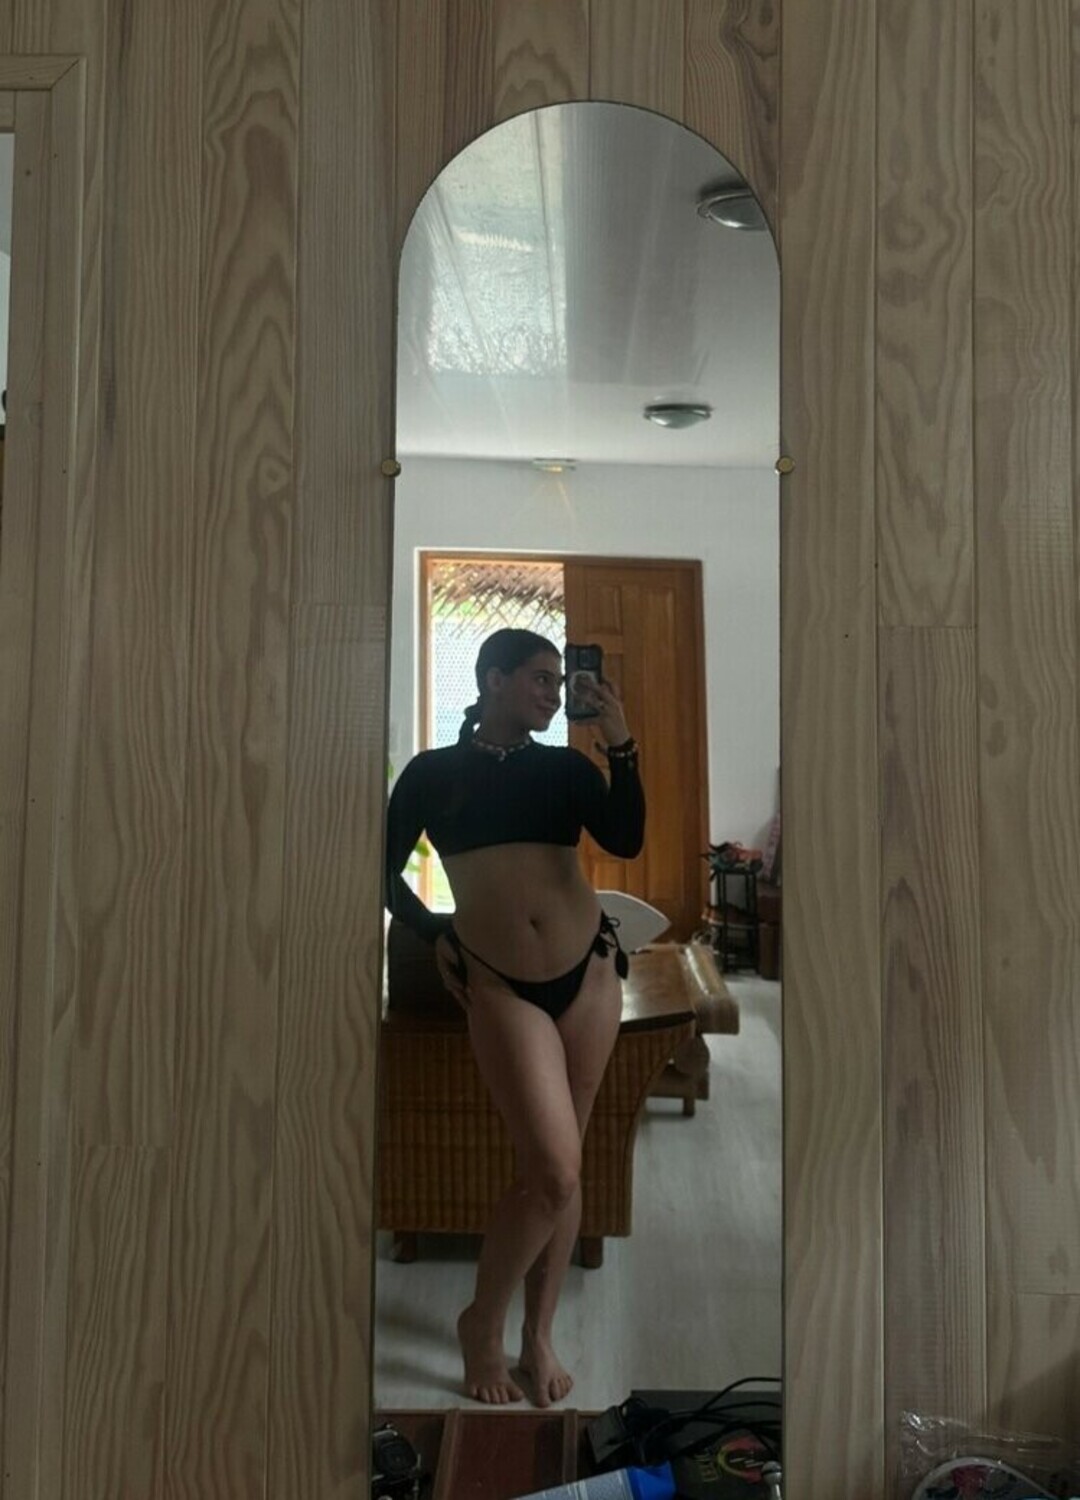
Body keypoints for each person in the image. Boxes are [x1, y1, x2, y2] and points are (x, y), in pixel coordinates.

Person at [384, 627, 645, 1407]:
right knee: (555, 1170)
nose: (554, 694)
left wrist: (620, 743)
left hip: (589, 971)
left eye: (559, 682)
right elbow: (381, 868)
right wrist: (434, 934)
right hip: (500, 985)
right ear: (493, 679)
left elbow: (626, 839)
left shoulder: (564, 768)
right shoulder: (433, 774)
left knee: (566, 1172)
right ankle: (482, 1323)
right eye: (539, 678)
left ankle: (537, 1335)